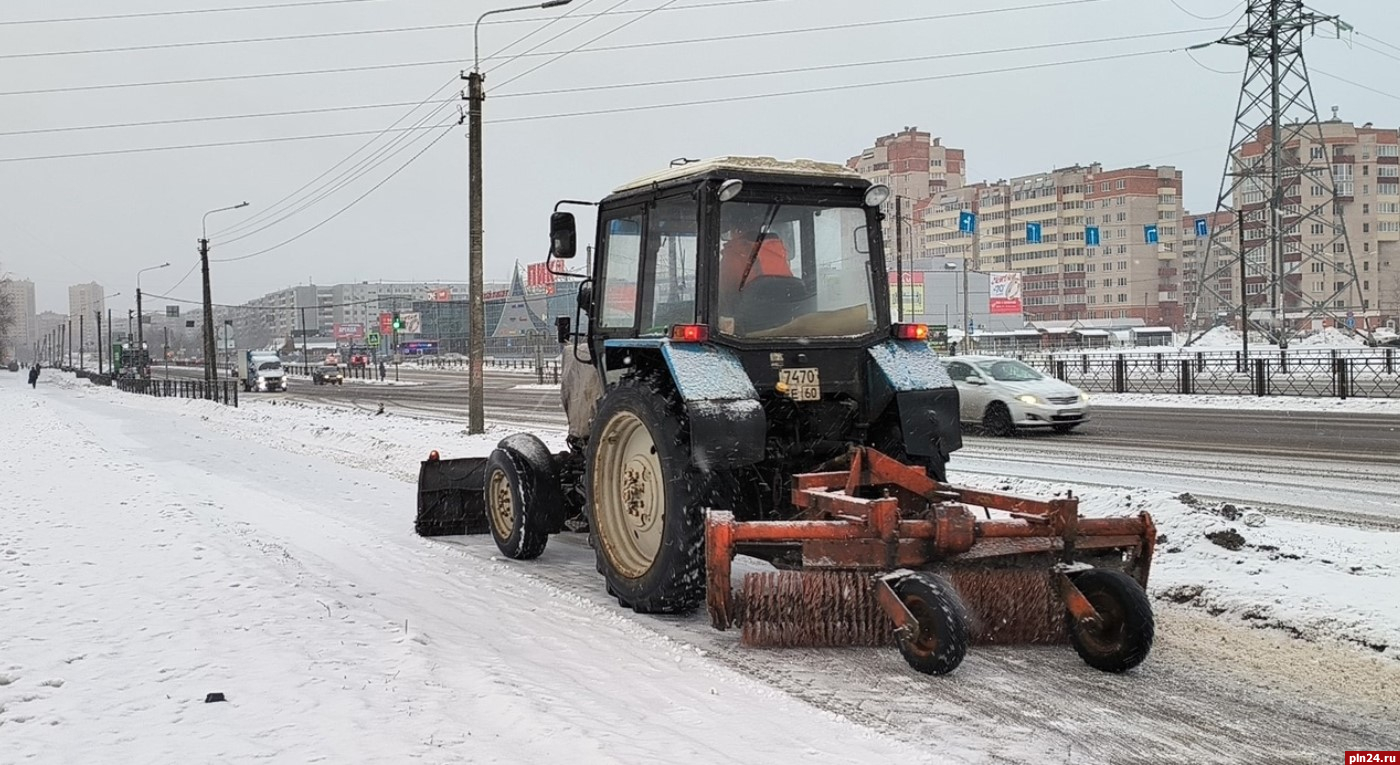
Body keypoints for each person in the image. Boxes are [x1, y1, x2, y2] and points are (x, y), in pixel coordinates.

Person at [718, 222, 793, 295]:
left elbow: (721, 295)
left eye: (731, 232)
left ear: (737, 231)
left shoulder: (733, 255)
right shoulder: (778, 252)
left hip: (748, 307)